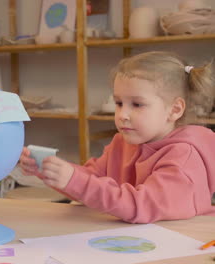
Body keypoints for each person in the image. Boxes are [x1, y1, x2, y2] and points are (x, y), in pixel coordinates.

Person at [20, 51, 215, 224]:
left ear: (174, 110)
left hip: (187, 244)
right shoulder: (123, 143)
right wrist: (51, 171)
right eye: (119, 103)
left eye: (137, 104)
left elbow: (140, 205)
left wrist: (74, 180)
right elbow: (90, 182)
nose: (122, 114)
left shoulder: (183, 157)